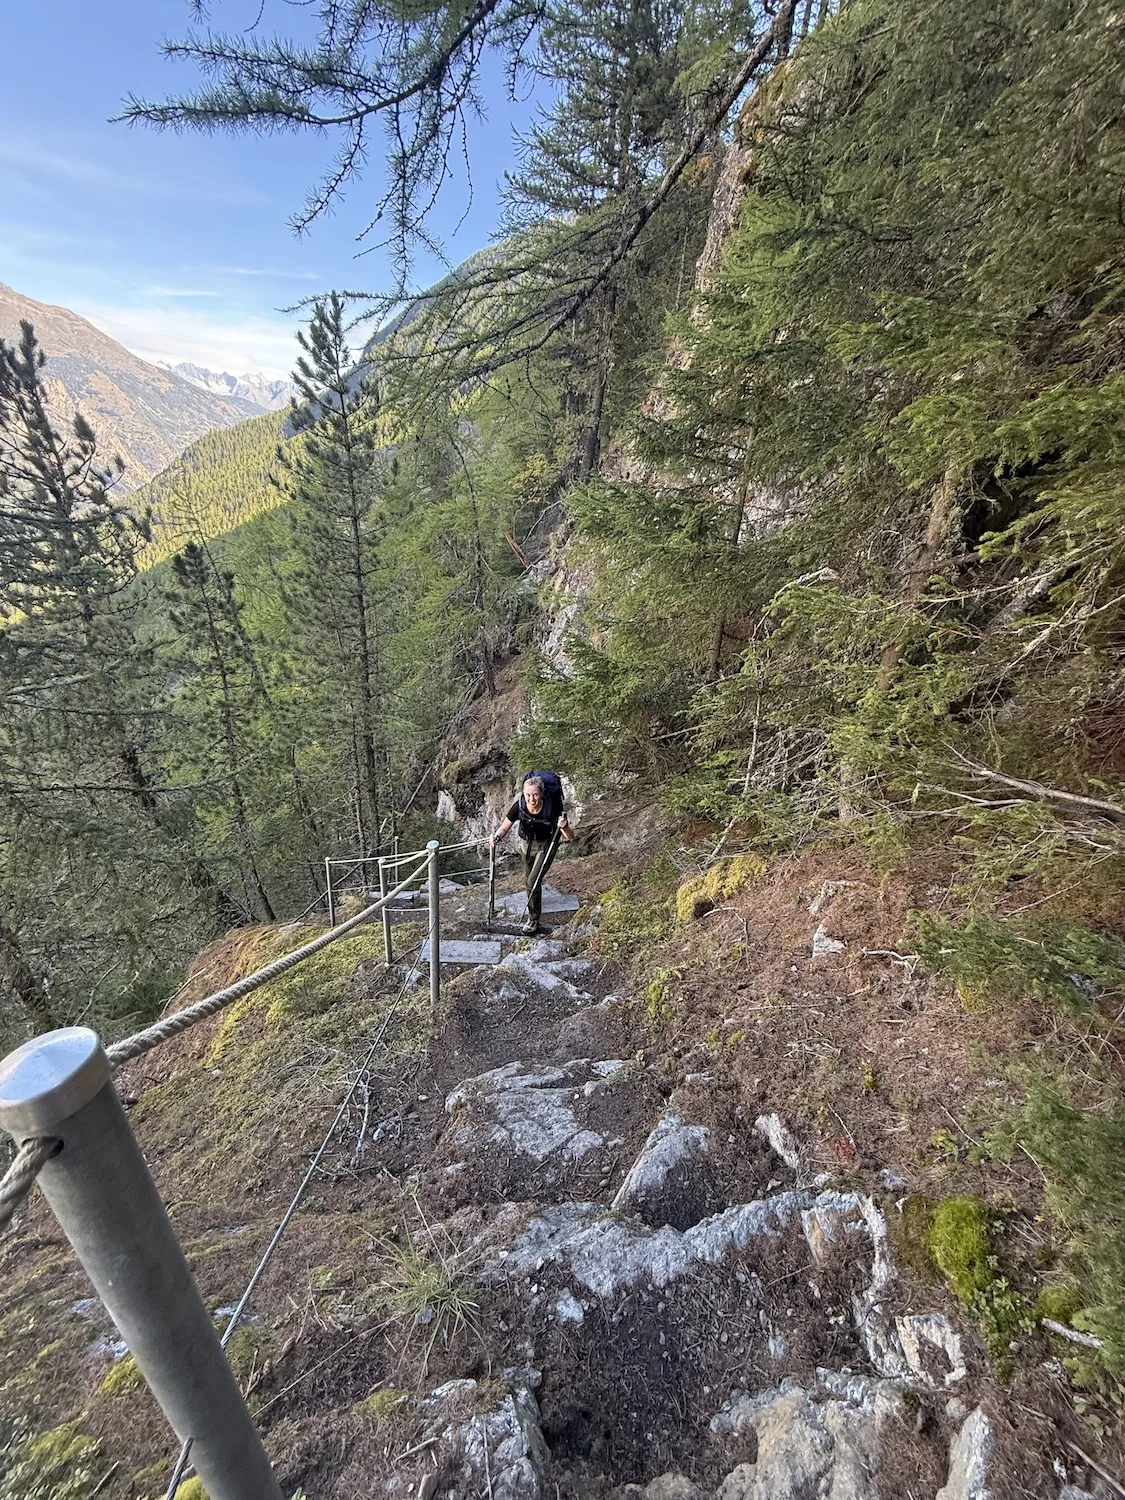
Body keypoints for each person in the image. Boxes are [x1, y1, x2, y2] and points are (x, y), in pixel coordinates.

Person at [490, 774, 574, 934]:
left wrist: (563, 826)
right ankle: (534, 906)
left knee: (533, 882)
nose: (531, 799)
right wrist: (497, 837)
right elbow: (505, 826)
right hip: (526, 846)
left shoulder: (552, 809)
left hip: (546, 846)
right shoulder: (520, 806)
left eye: (535, 794)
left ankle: (533, 920)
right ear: (524, 794)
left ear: (541, 794)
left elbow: (570, 837)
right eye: (528, 794)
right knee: (528, 880)